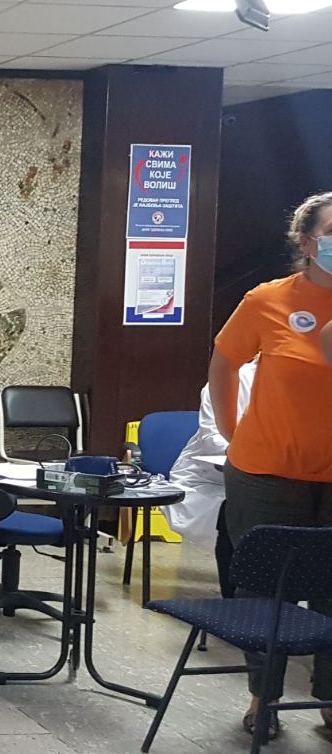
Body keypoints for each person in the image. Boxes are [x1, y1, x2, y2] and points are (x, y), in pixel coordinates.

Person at [209, 190, 332, 738]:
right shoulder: (268, 300)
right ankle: (264, 698)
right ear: (306, 242)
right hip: (266, 477)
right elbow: (224, 364)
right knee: (266, 592)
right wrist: (233, 433)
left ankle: (330, 700)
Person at [165, 361, 255, 597]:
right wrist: (257, 449)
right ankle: (237, 604)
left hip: (279, 481)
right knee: (235, 517)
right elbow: (213, 437)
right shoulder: (233, 380)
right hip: (210, 480)